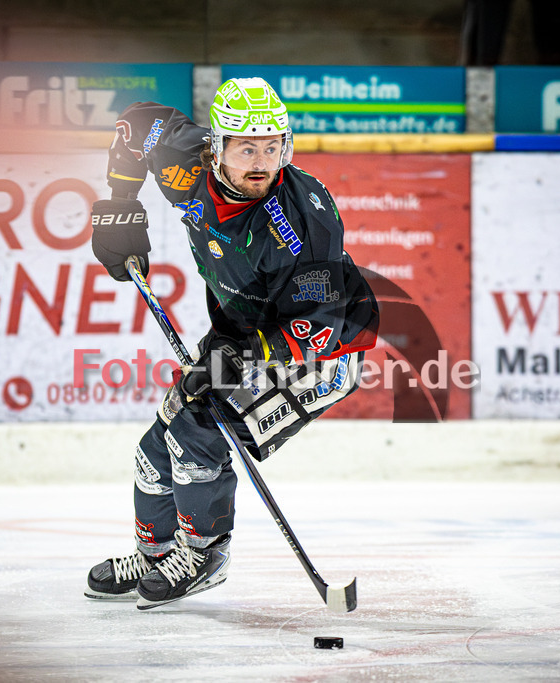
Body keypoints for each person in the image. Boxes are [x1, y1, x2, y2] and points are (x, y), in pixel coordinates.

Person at [84, 77, 379, 610]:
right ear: (214, 147)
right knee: (159, 442)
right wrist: (121, 201)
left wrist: (238, 355)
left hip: (316, 355)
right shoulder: (182, 158)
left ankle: (204, 554)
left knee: (197, 430)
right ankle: (156, 554)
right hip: (241, 333)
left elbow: (320, 321)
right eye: (246, 148)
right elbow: (134, 124)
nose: (262, 161)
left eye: (272, 147)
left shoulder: (302, 220)